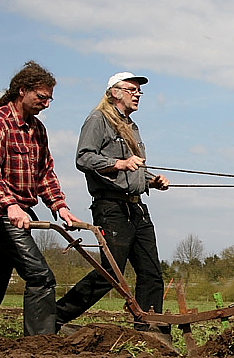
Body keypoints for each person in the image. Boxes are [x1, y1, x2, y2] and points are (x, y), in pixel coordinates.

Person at [0, 61, 81, 337]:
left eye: (50, 99)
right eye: (41, 97)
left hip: (18, 213)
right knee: (40, 277)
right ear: (22, 90)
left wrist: (61, 206)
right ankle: (41, 342)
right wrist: (10, 204)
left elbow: (45, 173)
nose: (47, 104)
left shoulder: (37, 129)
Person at [55, 72, 171, 341]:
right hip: (111, 208)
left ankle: (150, 332)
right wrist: (118, 164)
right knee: (111, 273)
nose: (137, 94)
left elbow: (134, 168)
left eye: (139, 90)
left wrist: (153, 181)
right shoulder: (98, 120)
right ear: (114, 92)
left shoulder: (131, 126)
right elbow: (83, 158)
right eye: (131, 89)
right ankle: (55, 316)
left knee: (151, 272)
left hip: (136, 207)